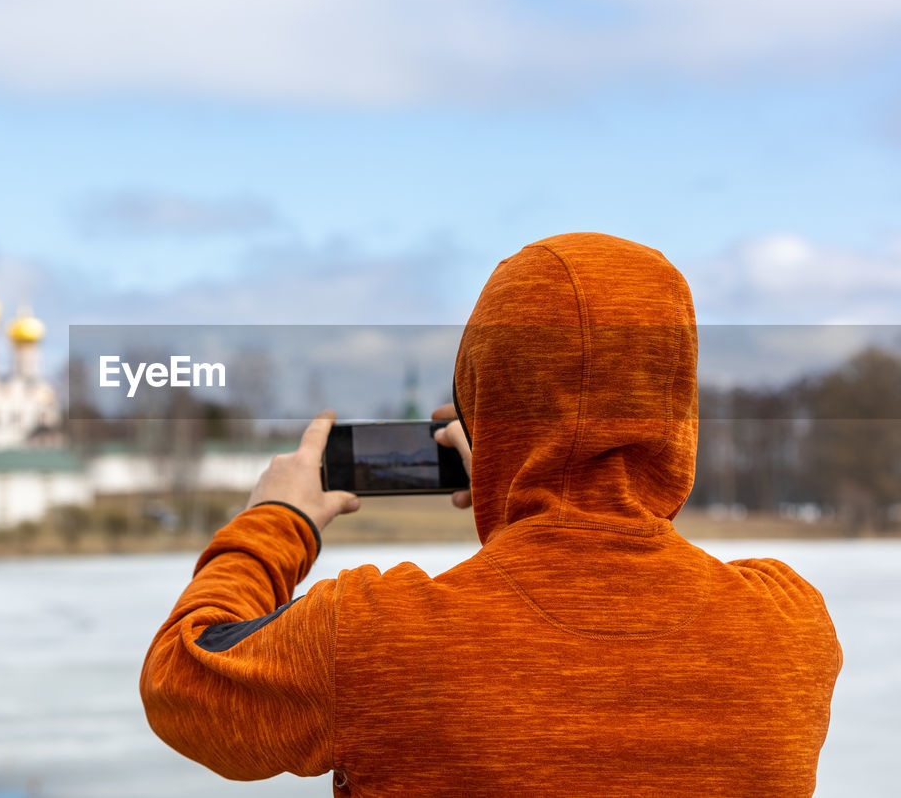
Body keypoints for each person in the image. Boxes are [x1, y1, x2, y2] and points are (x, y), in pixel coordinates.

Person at [139, 232, 841, 796]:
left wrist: (278, 518)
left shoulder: (378, 638)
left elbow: (182, 678)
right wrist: (535, 482)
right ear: (676, 404)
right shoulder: (791, 629)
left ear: (481, 392)